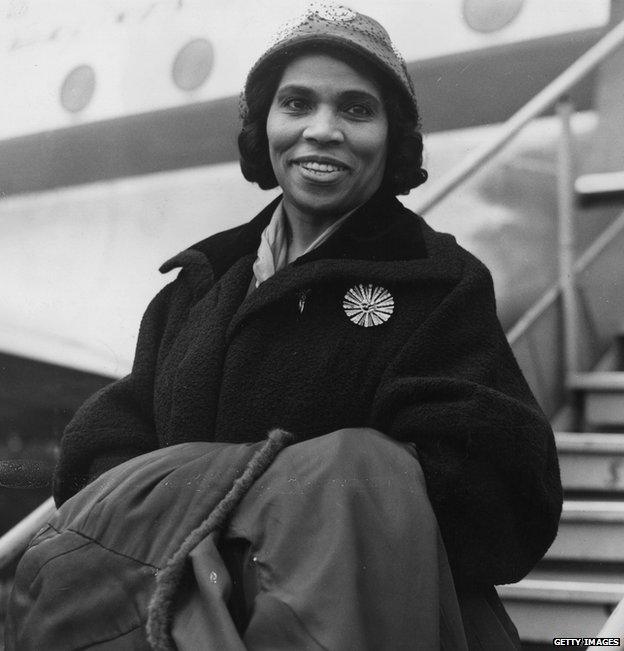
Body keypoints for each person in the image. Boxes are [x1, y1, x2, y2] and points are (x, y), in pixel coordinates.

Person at [6, 4, 562, 650]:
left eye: (357, 109)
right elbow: (98, 449)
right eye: (296, 104)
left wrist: (281, 503)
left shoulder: (438, 286)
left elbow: (506, 493)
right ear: (265, 125)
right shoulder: (199, 285)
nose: (322, 131)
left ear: (393, 137)